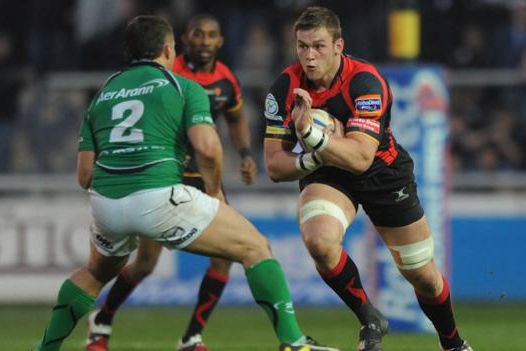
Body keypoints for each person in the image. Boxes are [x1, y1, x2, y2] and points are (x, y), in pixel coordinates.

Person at [32, 15, 338, 351]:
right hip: (159, 195)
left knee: (93, 274)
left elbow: (84, 175)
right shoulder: (182, 86)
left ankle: (46, 347)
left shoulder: (104, 93)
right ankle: (293, 342)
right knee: (256, 248)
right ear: (168, 49)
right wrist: (215, 190)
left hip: (106, 201)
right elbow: (207, 147)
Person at [263, 7, 473, 351]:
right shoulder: (285, 86)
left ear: (338, 45)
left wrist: (312, 136)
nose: (309, 56)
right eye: (302, 46)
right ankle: (369, 317)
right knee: (319, 241)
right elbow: (274, 166)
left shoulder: (366, 82)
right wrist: (315, 153)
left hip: (382, 172)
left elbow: (361, 159)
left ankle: (453, 343)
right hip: (327, 171)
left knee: (421, 274)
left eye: (318, 46)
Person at [85, 14, 257, 351]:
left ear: (221, 42)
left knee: (225, 257)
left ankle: (192, 336)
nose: (205, 41)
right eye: (198, 35)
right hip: (166, 177)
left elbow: (235, 116)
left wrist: (246, 152)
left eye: (212, 35)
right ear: (183, 40)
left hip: (206, 178)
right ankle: (103, 318)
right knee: (146, 263)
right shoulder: (168, 74)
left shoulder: (226, 80)